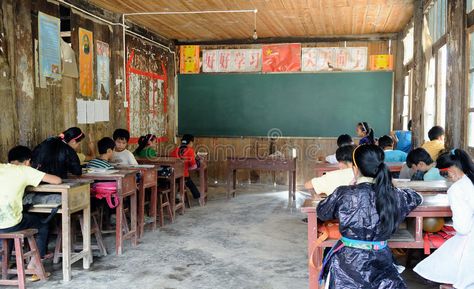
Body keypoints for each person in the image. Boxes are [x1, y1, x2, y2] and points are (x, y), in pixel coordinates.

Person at [316, 144, 422, 288]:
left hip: (347, 263)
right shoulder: (393, 194)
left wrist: (349, 187)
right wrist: (390, 186)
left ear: (355, 169)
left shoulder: (344, 193)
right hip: (382, 259)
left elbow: (322, 212)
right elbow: (417, 197)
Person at [414, 149, 474, 288]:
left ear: (450, 172)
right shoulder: (470, 180)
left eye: (444, 175)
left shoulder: (457, 189)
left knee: (457, 247)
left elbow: (462, 228)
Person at [0, 146, 62, 260]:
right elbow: (57, 180)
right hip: (10, 224)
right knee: (42, 225)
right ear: (28, 161)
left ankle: (4, 263)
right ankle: (35, 263)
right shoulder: (25, 170)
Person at [170, 134, 201, 200]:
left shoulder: (175, 150)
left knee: (184, 180)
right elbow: (194, 166)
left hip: (173, 175)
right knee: (188, 181)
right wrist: (197, 160)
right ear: (190, 142)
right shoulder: (190, 151)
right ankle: (197, 196)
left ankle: (178, 195)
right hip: (183, 175)